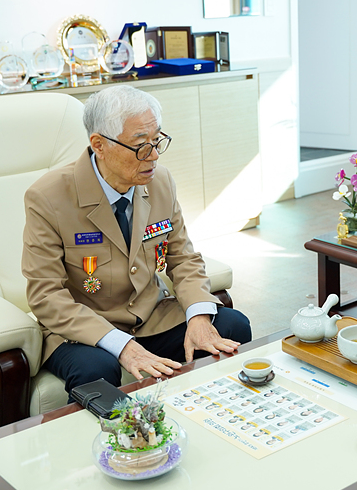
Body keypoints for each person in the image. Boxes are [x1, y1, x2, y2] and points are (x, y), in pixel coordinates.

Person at [22, 85, 251, 399]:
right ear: (99, 145)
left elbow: (182, 258)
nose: (154, 155)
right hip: (83, 330)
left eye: (157, 141)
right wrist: (121, 345)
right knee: (95, 371)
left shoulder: (161, 182)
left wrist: (197, 317)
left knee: (232, 327)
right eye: (141, 145)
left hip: (151, 317)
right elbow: (45, 294)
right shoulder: (48, 197)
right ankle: (119, 446)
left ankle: (211, 420)